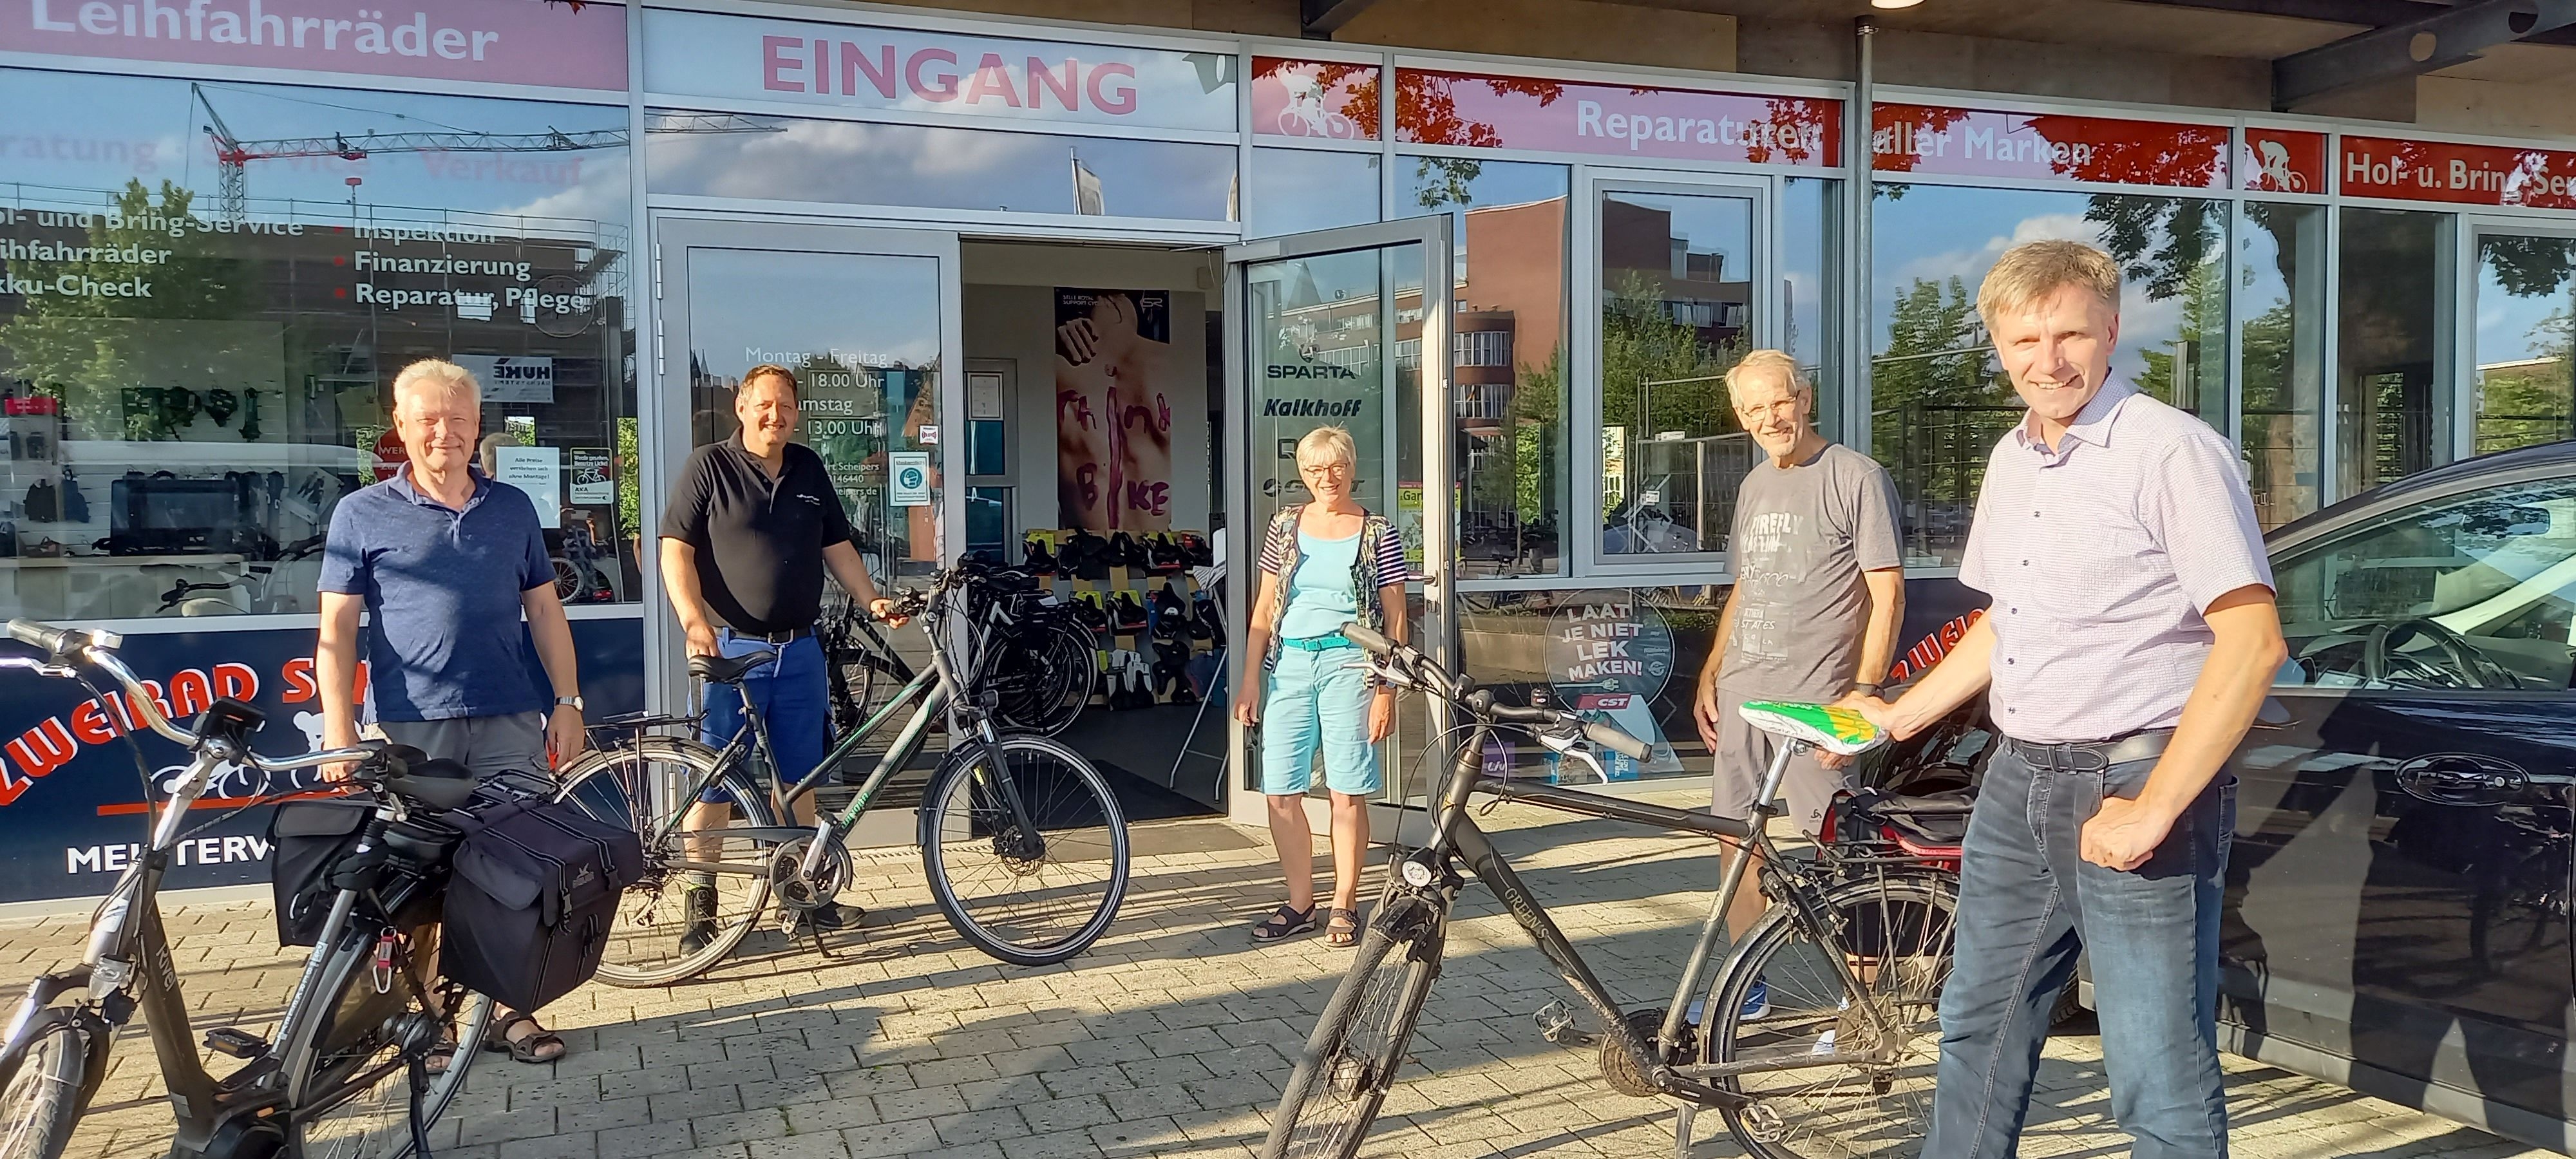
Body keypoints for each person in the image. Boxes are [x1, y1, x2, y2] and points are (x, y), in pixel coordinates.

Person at [1852, 240, 2286, 1159]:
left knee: (2154, 1072)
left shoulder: (2171, 453)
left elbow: (2253, 646)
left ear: (2112, 329)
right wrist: (1898, 714)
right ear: (1997, 345)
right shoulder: (2014, 460)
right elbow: (2010, 619)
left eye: (2070, 334)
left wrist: (2155, 807)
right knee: (1978, 1026)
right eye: (2025, 340)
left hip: (2132, 777)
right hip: (2018, 781)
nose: (2048, 361)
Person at [316, 357, 579, 1066]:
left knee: (516, 874)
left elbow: (546, 612)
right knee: (418, 882)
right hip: (413, 727)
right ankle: (423, 1019)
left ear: (478, 428)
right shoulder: (360, 513)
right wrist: (340, 732)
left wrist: (568, 700)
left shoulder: (512, 509)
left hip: (509, 717)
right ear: (401, 428)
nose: (445, 433)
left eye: (458, 420)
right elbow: (336, 634)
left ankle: (509, 1014)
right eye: (429, 419)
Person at [1689, 349, 1904, 1017]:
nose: (1768, 418)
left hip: (1818, 700)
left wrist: (1865, 689)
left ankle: (1861, 1001)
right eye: (1753, 409)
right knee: (1734, 835)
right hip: (1744, 690)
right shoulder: (1755, 486)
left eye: (1778, 402)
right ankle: (1745, 984)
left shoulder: (1855, 477)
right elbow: (1746, 587)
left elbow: (1887, 592)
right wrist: (1711, 672)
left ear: (1804, 399)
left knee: (1839, 843)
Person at [660, 364, 900, 952]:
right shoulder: (708, 467)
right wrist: (694, 621)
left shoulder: (810, 467)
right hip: (733, 650)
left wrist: (871, 600)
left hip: (800, 650)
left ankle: (800, 895)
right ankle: (701, 905)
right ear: (741, 407)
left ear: (797, 413)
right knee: (714, 783)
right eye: (764, 405)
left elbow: (836, 546)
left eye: (786, 407)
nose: (775, 416)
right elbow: (675, 551)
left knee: (798, 779)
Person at [1233, 426, 1406, 947]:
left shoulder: (1378, 533)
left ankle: (1344, 904)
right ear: (1302, 474)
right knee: (1281, 790)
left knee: (1346, 792)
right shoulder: (1284, 527)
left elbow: (1397, 621)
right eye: (1314, 469)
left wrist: (1386, 690)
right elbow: (1264, 609)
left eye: (1335, 467)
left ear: (1352, 467)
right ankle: (1299, 901)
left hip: (1351, 666)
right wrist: (1249, 680)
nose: (1325, 478)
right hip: (1290, 667)